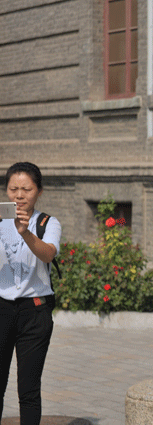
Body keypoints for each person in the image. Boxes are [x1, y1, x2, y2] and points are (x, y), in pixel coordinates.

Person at [0, 162, 61, 424]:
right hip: (2, 308)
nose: (19, 196)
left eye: (26, 189)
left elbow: (48, 254)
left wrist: (25, 233)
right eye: (13, 189)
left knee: (28, 388)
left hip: (35, 312)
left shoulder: (48, 223)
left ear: (39, 191)